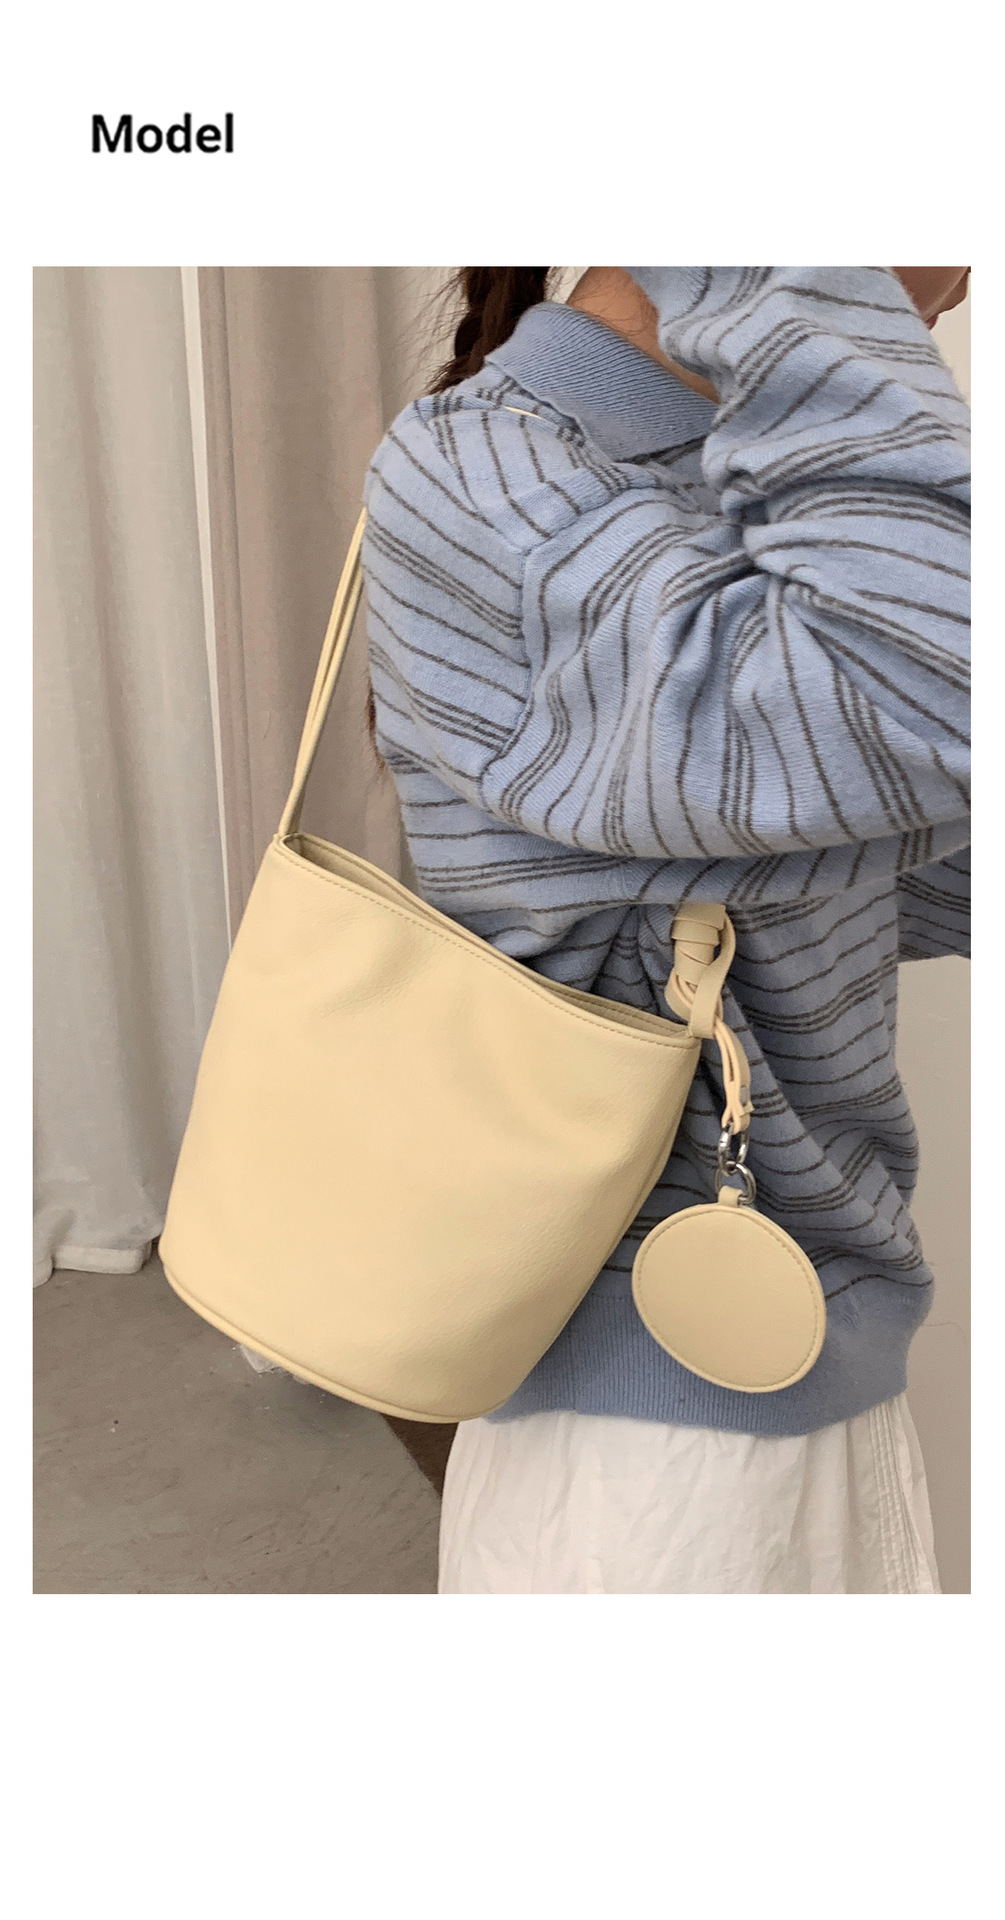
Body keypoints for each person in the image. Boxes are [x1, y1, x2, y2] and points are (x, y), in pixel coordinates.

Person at [360, 266, 971, 1594]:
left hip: (812, 1304)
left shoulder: (768, 462)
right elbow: (937, 711)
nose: (970, 273)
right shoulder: (492, 477)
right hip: (652, 1383)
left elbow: (910, 857)